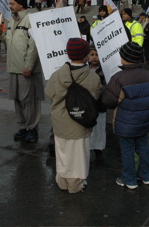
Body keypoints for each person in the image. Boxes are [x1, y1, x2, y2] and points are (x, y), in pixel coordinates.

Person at [45, 38, 103, 193]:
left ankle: (63, 181)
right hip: (80, 121)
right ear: (85, 56)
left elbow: (49, 93)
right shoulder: (92, 77)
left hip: (60, 122)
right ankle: (75, 184)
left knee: (62, 154)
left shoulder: (57, 74)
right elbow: (96, 96)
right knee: (78, 157)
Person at [101, 42, 149, 190]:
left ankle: (129, 179)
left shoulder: (119, 78)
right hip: (145, 120)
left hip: (126, 122)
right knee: (143, 147)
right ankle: (146, 176)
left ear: (124, 57)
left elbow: (108, 101)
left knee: (127, 150)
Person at [7, 0, 44, 142]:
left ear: (21, 5)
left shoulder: (30, 20)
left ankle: (32, 128)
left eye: (12, 4)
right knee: (17, 99)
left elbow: (33, 46)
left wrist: (28, 65)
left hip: (26, 69)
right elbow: (10, 43)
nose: (10, 6)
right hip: (13, 67)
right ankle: (22, 126)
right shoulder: (11, 20)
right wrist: (1, 35)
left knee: (29, 101)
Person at [88, 44, 106, 162]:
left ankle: (98, 150)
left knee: (99, 128)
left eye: (97, 55)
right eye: (92, 55)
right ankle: (88, 148)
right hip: (88, 104)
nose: (94, 57)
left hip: (100, 104)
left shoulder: (104, 70)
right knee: (88, 128)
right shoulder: (85, 69)